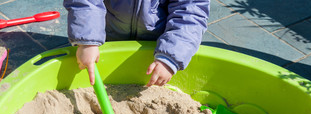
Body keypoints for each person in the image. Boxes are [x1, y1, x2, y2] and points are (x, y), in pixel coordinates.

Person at [63, 0, 210, 86]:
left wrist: (171, 56)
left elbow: (191, 12)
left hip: (157, 45)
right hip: (107, 37)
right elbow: (86, 3)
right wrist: (87, 41)